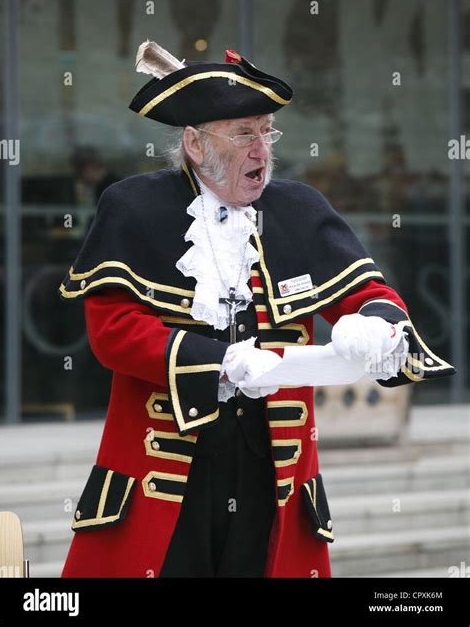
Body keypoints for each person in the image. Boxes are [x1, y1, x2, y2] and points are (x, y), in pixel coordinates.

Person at [58, 41, 455, 578]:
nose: (263, 149)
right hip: (165, 484)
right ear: (195, 144)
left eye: (267, 131)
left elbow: (376, 298)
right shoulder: (133, 207)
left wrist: (375, 327)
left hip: (272, 484)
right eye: (245, 133)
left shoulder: (301, 210)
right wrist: (218, 363)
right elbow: (114, 331)